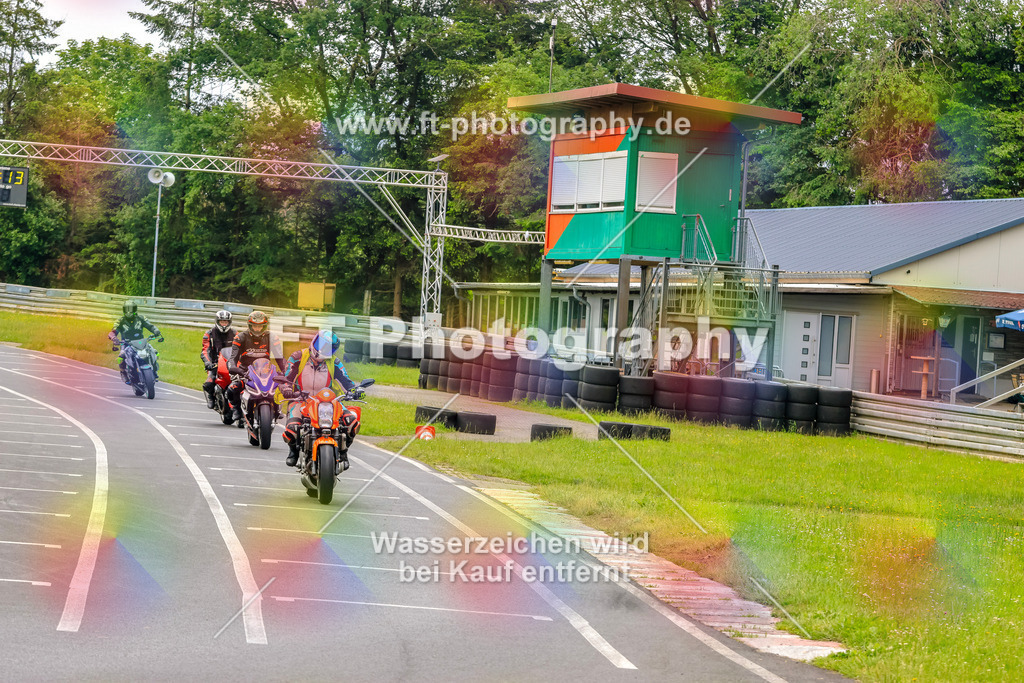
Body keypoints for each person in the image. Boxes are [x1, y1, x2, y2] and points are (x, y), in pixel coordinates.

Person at [281, 331, 359, 467]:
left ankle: (343, 452)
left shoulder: (334, 362)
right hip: (301, 400)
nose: (323, 350)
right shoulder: (297, 357)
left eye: (329, 348)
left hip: (327, 401)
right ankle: (293, 451)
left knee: (352, 422)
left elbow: (346, 381)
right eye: (321, 344)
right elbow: (285, 378)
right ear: (314, 340)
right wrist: (287, 389)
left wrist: (355, 391)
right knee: (292, 429)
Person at [226, 311, 284, 426]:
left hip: (266, 372)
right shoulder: (240, 337)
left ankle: (277, 410)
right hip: (245, 371)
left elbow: (280, 358)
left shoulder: (272, 337)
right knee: (232, 389)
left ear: (264, 326)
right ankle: (237, 409)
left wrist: (285, 372)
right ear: (249, 325)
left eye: (260, 326)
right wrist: (233, 368)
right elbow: (232, 358)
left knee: (280, 387)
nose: (257, 329)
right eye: (255, 326)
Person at [108, 301, 163, 383]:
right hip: (126, 343)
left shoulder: (141, 318)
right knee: (121, 356)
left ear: (135, 310)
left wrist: (156, 331)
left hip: (141, 342)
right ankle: (123, 372)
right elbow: (113, 332)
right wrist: (114, 338)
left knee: (154, 352)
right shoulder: (120, 321)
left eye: (130, 309)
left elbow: (150, 326)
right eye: (126, 309)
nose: (128, 312)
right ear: (123, 310)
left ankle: (154, 370)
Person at [200, 310, 236, 408]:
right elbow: (205, 350)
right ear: (217, 321)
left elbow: (241, 349)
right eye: (222, 322)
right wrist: (208, 363)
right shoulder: (209, 334)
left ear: (229, 322)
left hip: (231, 363)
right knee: (209, 382)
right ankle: (211, 396)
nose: (224, 324)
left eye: (226, 322)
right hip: (215, 363)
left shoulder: (235, 334)